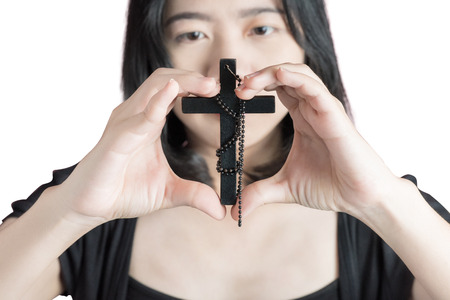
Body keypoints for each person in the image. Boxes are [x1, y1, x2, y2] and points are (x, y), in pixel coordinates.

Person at [1, 0, 449, 299]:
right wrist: (71, 212)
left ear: (309, 46)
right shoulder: (89, 215)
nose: (229, 63)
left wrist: (379, 203)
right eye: (191, 34)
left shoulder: (392, 221)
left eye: (262, 27)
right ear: (153, 58)